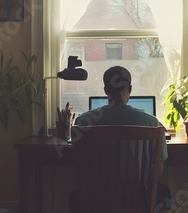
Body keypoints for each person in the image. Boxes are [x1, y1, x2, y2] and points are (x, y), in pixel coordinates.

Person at [71, 66, 172, 212]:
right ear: (130, 88)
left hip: (97, 196)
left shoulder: (83, 122)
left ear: (105, 90)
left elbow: (79, 168)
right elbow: (158, 172)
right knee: (163, 193)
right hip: (138, 196)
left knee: (75, 196)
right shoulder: (151, 123)